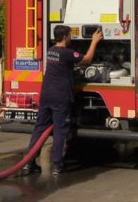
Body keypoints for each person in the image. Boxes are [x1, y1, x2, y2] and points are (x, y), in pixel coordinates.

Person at [23, 25, 103, 176]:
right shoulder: (67, 53)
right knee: (60, 130)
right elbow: (87, 59)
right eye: (70, 35)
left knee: (39, 128)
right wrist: (94, 42)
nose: (71, 38)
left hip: (46, 95)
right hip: (60, 97)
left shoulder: (51, 51)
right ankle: (57, 165)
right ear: (65, 37)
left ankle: (29, 162)